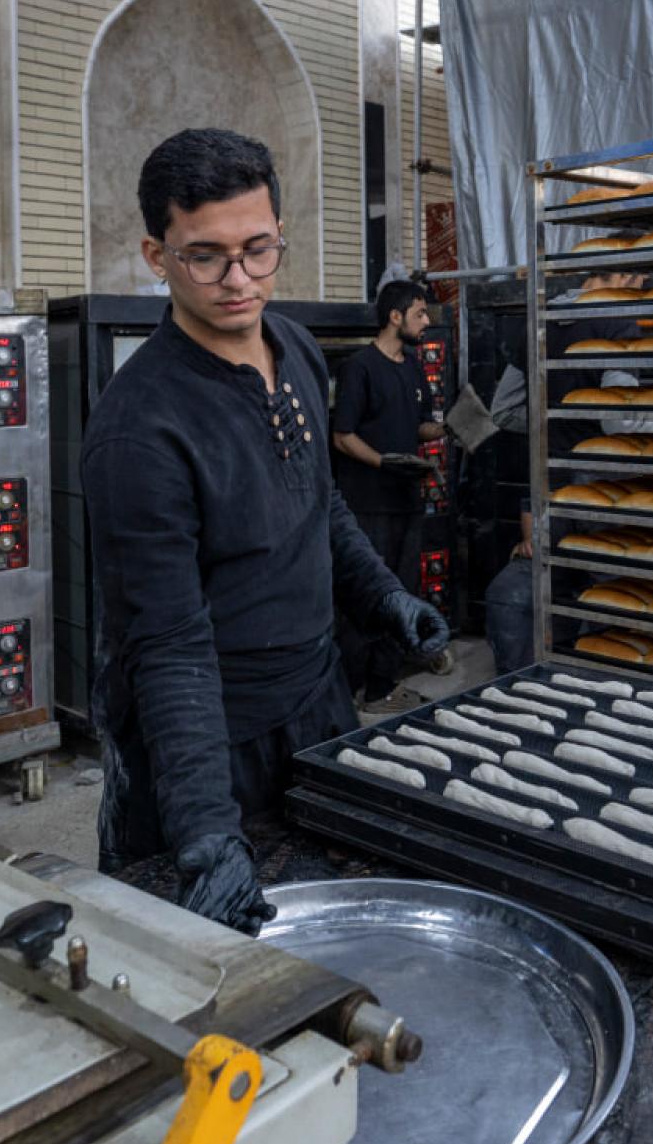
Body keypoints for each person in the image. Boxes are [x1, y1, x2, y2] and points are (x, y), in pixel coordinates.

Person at [83, 127, 449, 932]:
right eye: (205, 257)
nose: (239, 280)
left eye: (258, 250)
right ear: (157, 256)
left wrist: (383, 597)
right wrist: (206, 833)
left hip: (318, 707)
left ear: (280, 232)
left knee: (342, 932)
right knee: (202, 959)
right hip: (209, 740)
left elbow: (320, 505)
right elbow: (167, 646)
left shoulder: (297, 349)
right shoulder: (140, 430)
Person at [485, 266, 653, 673]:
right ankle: (600, 677)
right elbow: (618, 419)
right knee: (612, 595)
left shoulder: (539, 323)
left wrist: (553, 423)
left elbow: (503, 410)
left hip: (550, 485)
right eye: (640, 284)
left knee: (546, 584)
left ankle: (541, 676)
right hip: (603, 490)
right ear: (623, 277)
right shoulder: (616, 322)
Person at [331, 280, 447, 712]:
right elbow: (343, 437)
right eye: (419, 313)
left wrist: (451, 426)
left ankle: (381, 688)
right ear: (395, 317)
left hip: (406, 500)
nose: (426, 321)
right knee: (363, 597)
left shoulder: (413, 366)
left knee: (403, 591)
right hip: (367, 504)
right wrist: (384, 463)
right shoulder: (359, 368)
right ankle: (345, 695)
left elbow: (419, 425)